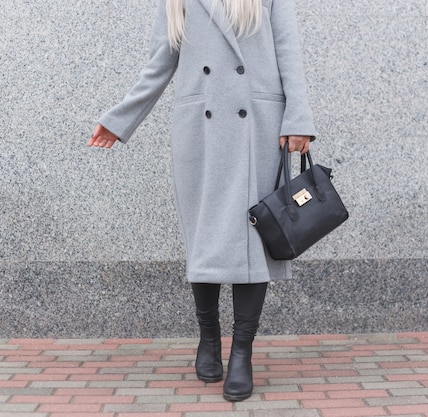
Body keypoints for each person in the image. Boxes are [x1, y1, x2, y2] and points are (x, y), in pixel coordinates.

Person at [88, 0, 316, 402]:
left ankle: (241, 352)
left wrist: (298, 118)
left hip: (257, 126)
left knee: (254, 239)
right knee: (204, 237)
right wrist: (120, 118)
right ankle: (208, 338)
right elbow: (160, 61)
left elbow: (288, 48)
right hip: (200, 129)